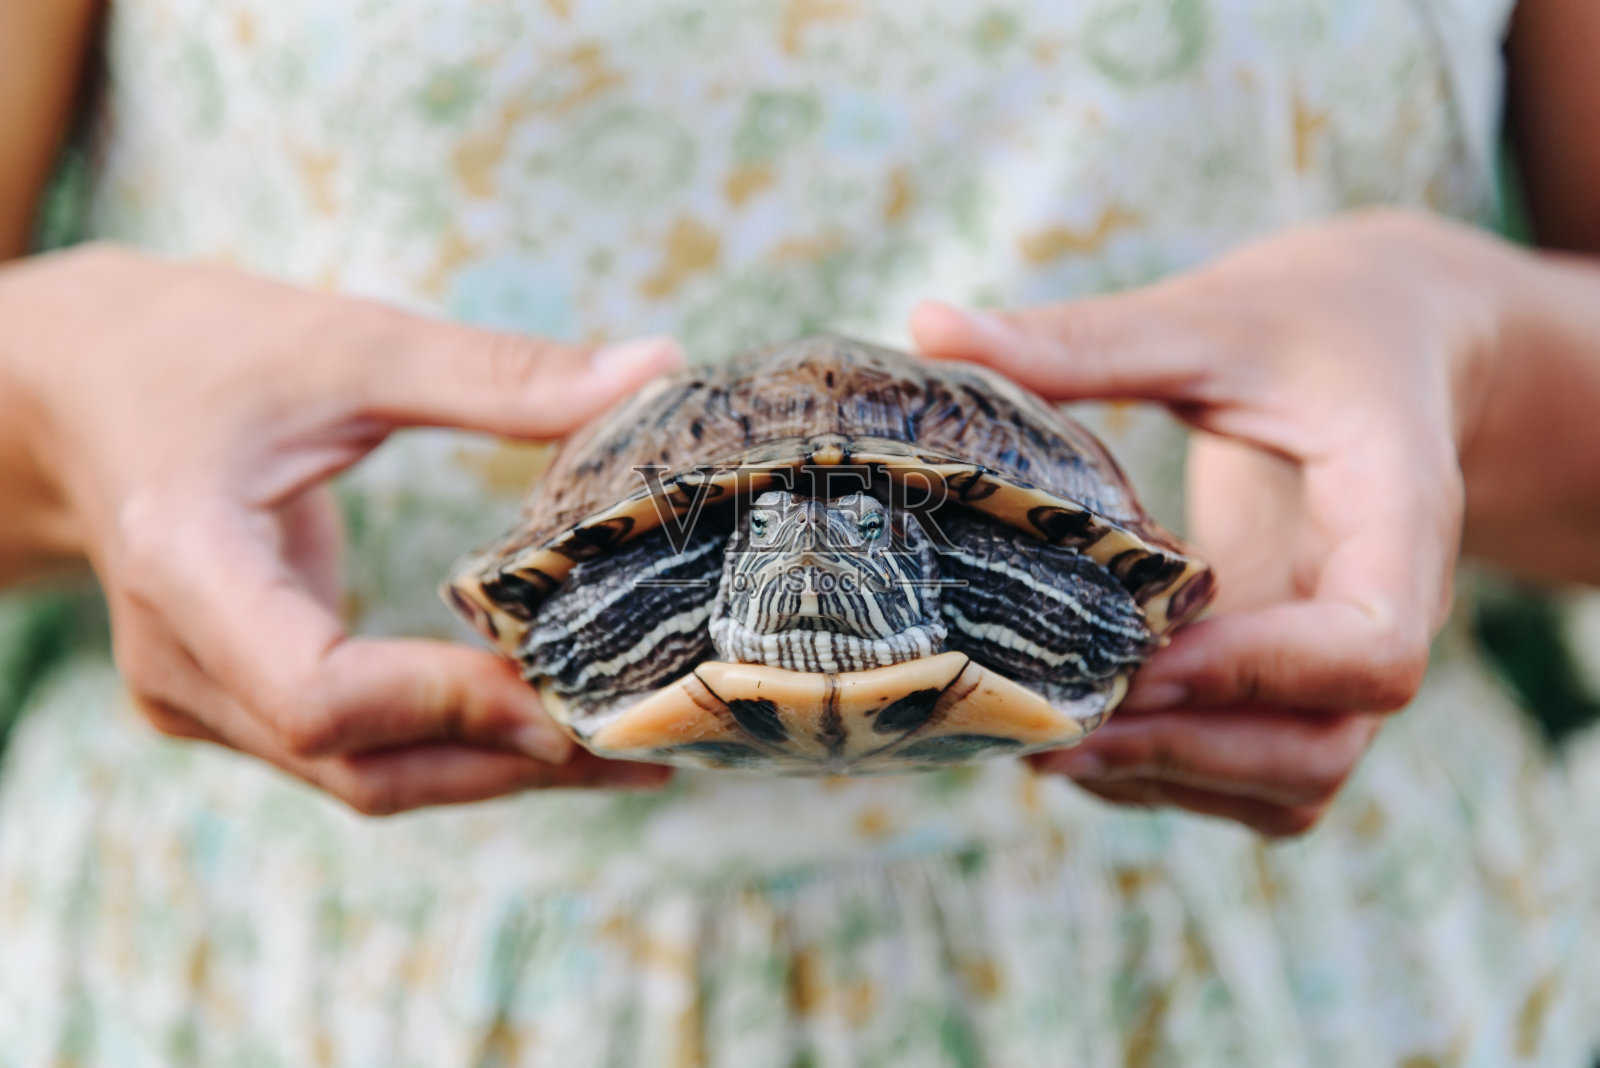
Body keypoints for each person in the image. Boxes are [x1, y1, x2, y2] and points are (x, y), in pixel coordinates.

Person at [1, 0, 1596, 1062]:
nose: (808, 539)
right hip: (318, 990)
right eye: (769, 532)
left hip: (1295, 984)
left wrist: (1468, 353)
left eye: (855, 530)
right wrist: (74, 408)